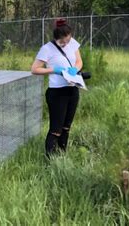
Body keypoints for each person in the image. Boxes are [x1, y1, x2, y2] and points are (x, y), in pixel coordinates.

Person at [31, 18, 83, 158]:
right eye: (62, 42)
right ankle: (50, 159)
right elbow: (35, 69)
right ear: (56, 38)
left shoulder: (72, 43)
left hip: (72, 89)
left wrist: (75, 69)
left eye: (68, 40)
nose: (65, 44)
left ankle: (62, 155)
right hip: (57, 93)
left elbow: (79, 61)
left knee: (66, 126)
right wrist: (54, 70)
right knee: (56, 129)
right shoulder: (47, 49)